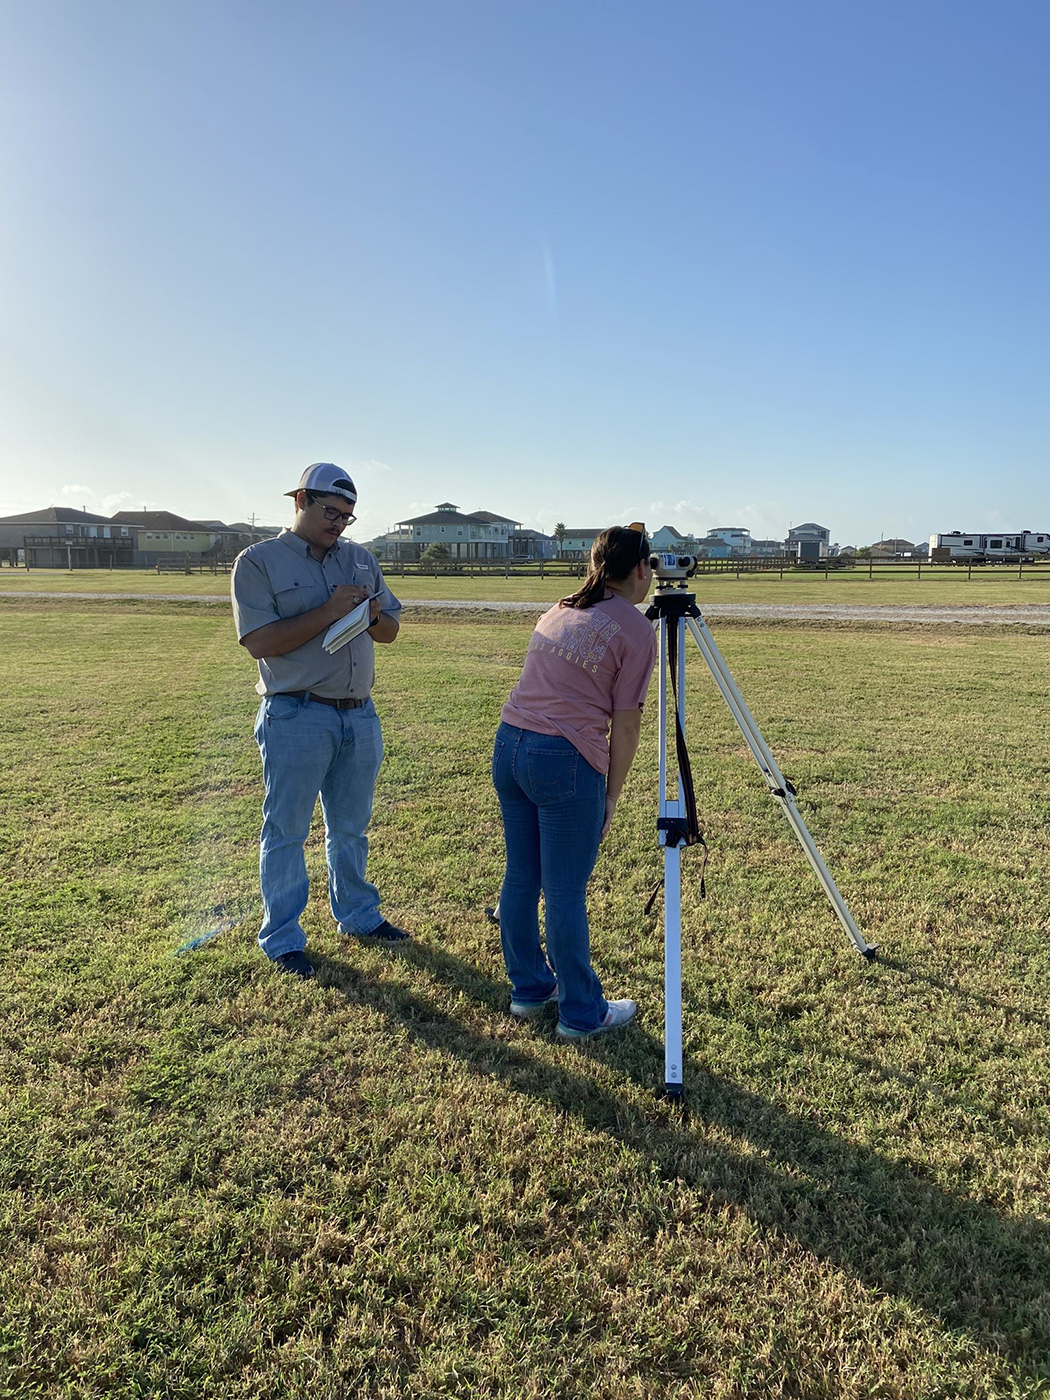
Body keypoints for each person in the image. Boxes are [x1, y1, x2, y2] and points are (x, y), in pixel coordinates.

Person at [231, 462, 407, 979]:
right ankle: (282, 937)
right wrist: (329, 611)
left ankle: (357, 914)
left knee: (351, 828)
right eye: (331, 512)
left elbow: (391, 630)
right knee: (286, 830)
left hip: (359, 715)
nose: (339, 525)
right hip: (296, 713)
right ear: (301, 500)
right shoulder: (258, 562)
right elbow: (259, 642)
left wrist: (371, 615)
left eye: (347, 517)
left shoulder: (360, 559)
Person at [492, 524, 656, 1038]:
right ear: (640, 570)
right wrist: (611, 795)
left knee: (522, 877)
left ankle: (529, 987)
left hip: (510, 743)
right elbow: (625, 724)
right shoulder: (635, 628)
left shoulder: (561, 607)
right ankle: (582, 1012)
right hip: (564, 758)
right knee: (564, 890)